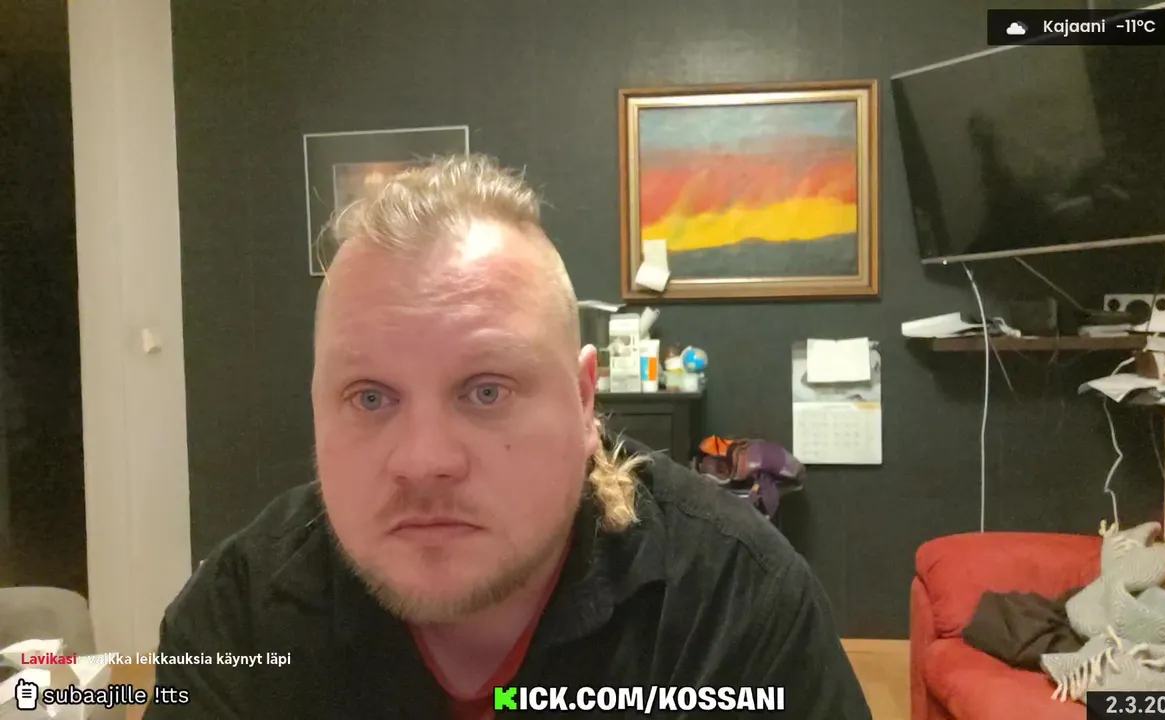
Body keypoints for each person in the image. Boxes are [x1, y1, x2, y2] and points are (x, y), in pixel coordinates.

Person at [144, 154, 870, 719]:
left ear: (583, 402)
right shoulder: (236, 623)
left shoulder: (733, 607)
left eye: (486, 391)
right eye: (369, 397)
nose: (424, 460)